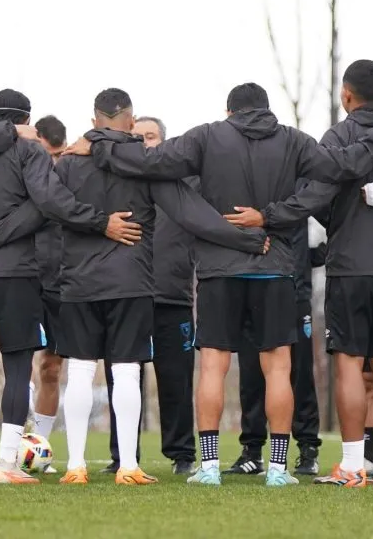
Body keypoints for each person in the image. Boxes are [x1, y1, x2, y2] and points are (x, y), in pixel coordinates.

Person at [65, 82, 373, 487]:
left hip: (217, 269)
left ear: (230, 112)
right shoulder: (293, 140)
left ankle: (208, 467)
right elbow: (342, 168)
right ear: (267, 110)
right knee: (277, 369)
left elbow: (151, 161)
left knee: (213, 366)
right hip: (275, 265)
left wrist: (99, 144)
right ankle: (279, 470)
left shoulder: (207, 136)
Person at [52, 89, 270, 486]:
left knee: (80, 372)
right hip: (130, 282)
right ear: (130, 123)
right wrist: (248, 239)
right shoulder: (142, 167)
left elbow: (49, 205)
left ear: (94, 118)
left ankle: (75, 466)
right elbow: (192, 215)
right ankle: (129, 467)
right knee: (126, 371)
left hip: (78, 283)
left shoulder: (67, 165)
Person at [0, 89, 133, 485]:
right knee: (17, 367)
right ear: (24, 120)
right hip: (15, 274)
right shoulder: (29, 153)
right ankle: (6, 466)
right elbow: (50, 204)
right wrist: (99, 221)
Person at [295, 60, 373, 488]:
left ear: (345, 95)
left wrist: (338, 220)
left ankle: (352, 465)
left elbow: (315, 189)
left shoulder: (340, 135)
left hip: (350, 265)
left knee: (350, 363)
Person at [226, 211, 326, 478]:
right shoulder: (249, 178)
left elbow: (330, 211)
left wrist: (319, 255)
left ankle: (307, 449)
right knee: (251, 371)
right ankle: (252, 450)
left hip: (295, 289)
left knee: (300, 371)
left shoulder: (298, 181)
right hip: (250, 283)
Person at [135, 115, 199, 476]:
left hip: (173, 297)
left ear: (164, 141)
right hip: (127, 296)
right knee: (124, 380)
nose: (145, 142)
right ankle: (123, 454)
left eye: (151, 136)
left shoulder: (184, 183)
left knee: (175, 380)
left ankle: (182, 454)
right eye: (138, 137)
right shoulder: (119, 180)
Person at [29, 115, 69, 470]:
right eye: (48, 155)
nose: (53, 164)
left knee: (52, 368)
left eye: (59, 156)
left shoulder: (71, 177)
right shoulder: (17, 169)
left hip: (60, 283)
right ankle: (12, 443)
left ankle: (38, 449)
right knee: (17, 364)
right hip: (22, 278)